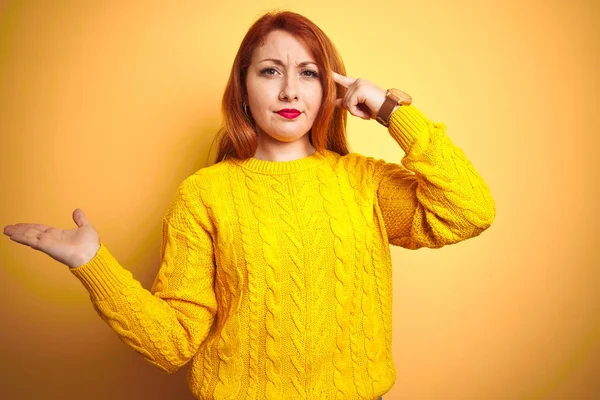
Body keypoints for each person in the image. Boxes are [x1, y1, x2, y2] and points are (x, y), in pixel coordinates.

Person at [2, 10, 495, 400]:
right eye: (270, 71)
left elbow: (470, 209)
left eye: (308, 73)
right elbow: (172, 343)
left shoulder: (362, 181)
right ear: (244, 87)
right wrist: (92, 263)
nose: (289, 90)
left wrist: (391, 112)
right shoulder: (205, 194)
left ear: (329, 90)